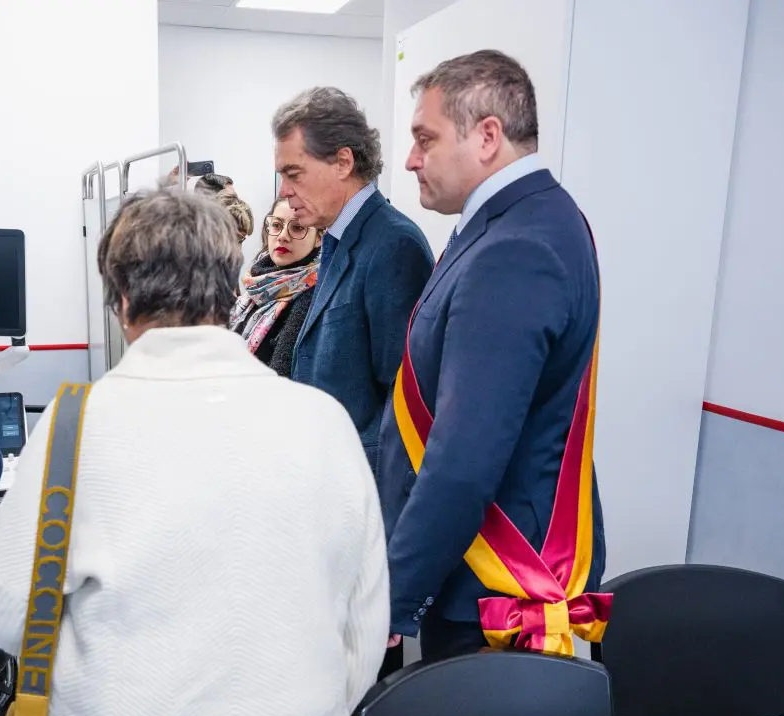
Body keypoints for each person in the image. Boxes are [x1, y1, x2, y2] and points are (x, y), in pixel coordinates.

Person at [0, 189, 389, 716]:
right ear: (231, 287)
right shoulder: (323, 420)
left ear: (120, 299)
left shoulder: (74, 428)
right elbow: (364, 624)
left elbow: (8, 612)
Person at [378, 50, 608, 664]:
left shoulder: (516, 248)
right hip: (486, 579)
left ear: (486, 137)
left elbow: (465, 459)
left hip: (495, 588)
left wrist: (392, 598)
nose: (411, 159)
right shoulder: (529, 219)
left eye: (425, 138)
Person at [271, 87, 433, 471]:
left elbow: (403, 402)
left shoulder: (393, 246)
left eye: (294, 174)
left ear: (343, 162)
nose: (284, 191)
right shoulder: (337, 239)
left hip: (361, 483)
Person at [229, 197, 321, 376]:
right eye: (277, 225)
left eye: (297, 228)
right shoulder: (257, 285)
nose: (283, 236)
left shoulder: (319, 297)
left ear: (319, 237)